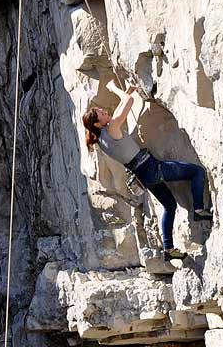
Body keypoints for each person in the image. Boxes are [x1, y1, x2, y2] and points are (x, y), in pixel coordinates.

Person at [82, 75, 212, 259]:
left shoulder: (102, 137)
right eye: (101, 113)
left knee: (169, 205)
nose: (104, 111)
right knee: (197, 172)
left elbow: (121, 107)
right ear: (97, 123)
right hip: (150, 168)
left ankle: (168, 249)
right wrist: (114, 89)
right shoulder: (111, 129)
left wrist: (127, 92)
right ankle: (199, 210)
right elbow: (127, 102)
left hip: (143, 175)